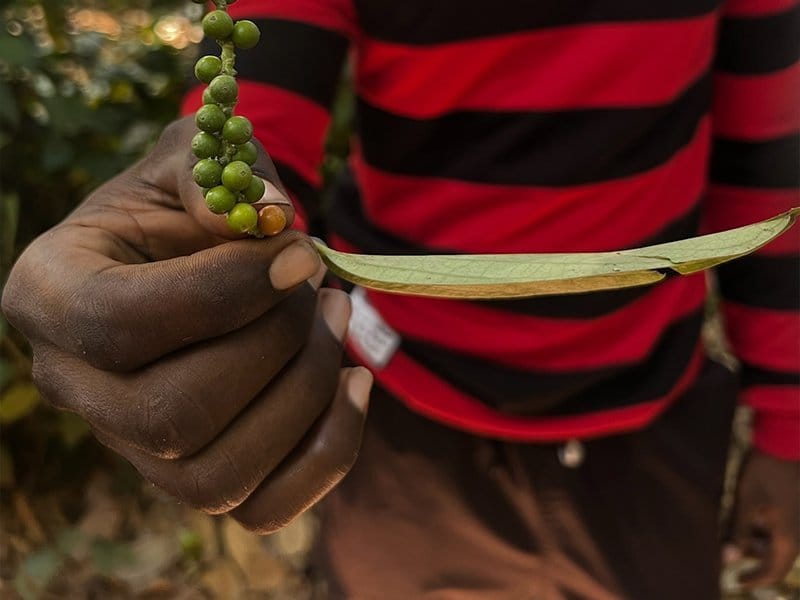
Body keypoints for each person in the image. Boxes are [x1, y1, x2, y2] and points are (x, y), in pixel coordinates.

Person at [2, 0, 798, 598]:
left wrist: (789, 425)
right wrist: (202, 249)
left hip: (645, 420)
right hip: (399, 416)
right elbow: (253, 118)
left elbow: (768, 158)